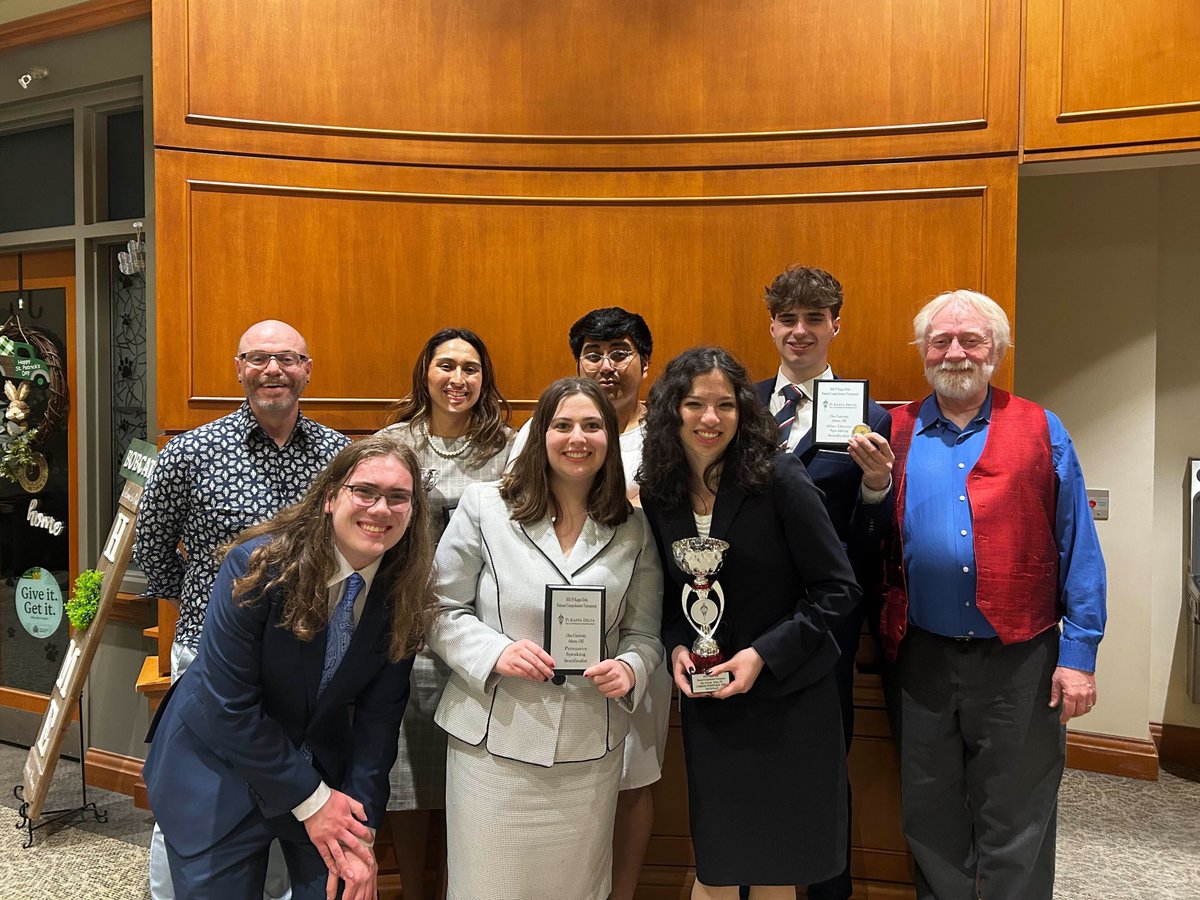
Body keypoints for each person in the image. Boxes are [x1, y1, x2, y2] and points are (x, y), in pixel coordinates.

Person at [880, 289, 1106, 900]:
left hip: (1020, 660)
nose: (955, 352)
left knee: (1019, 814)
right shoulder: (892, 429)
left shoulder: (1040, 427)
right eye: (941, 340)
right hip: (920, 656)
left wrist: (1079, 654)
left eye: (971, 340)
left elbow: (1076, 544)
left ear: (997, 351)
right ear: (924, 352)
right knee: (929, 815)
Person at [143, 436, 437, 899]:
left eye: (399, 497)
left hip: (314, 764)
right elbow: (230, 706)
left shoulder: (402, 592)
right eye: (365, 491)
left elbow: (378, 727)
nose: (381, 509)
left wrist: (360, 835)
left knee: (340, 889)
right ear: (329, 497)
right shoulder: (257, 566)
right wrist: (313, 802)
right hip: (215, 765)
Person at [134, 319, 348, 900]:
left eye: (286, 358)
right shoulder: (189, 453)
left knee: (286, 794)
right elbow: (152, 551)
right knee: (198, 795)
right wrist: (207, 601)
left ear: (308, 369)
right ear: (238, 369)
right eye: (258, 358)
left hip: (307, 665)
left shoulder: (340, 457)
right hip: (210, 657)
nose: (272, 369)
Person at [637, 347, 860, 899]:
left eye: (725, 405)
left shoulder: (778, 476)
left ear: (744, 410)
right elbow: (669, 596)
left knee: (776, 872)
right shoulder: (659, 490)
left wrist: (762, 654)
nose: (710, 419)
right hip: (713, 705)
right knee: (718, 862)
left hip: (789, 700)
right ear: (672, 411)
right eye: (694, 404)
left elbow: (838, 588)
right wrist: (676, 646)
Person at [428, 377, 663, 900]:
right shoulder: (485, 506)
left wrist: (629, 667)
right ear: (540, 435)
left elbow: (645, 634)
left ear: (610, 437)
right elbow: (438, 607)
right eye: (562, 425)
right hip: (492, 745)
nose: (576, 437)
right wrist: (496, 651)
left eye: (592, 425)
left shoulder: (635, 528)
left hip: (588, 750)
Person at [507, 307, 671, 900]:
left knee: (632, 773)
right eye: (593, 354)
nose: (606, 366)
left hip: (633, 629)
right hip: (543, 636)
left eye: (620, 352)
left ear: (645, 363)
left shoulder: (670, 433)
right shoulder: (542, 428)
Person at [754, 265, 894, 899]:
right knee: (750, 762)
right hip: (745, 614)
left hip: (826, 623)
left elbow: (871, 543)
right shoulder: (740, 406)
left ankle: (824, 891)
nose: (801, 331)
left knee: (821, 763)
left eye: (815, 319)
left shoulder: (871, 417)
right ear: (773, 326)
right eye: (788, 319)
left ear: (836, 324)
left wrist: (874, 488)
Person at [378, 327, 513, 899]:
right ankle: (412, 890)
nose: (458, 380)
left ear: (484, 380)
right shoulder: (393, 441)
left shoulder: (508, 447)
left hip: (480, 631)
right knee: (407, 776)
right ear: (425, 373)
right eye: (447, 366)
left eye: (471, 369)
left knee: (471, 774)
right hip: (403, 630)